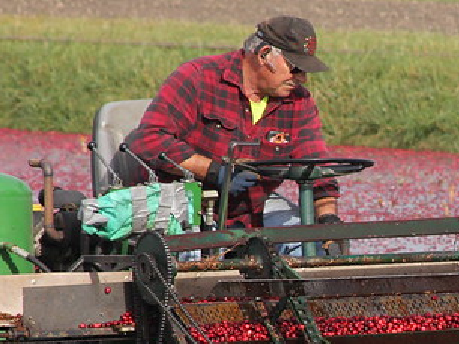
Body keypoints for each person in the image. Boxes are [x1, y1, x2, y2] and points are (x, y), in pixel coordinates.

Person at [125, 15, 342, 247]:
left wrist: (327, 217)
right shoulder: (198, 78)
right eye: (295, 68)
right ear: (264, 55)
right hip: (189, 207)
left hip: (253, 212)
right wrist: (216, 172)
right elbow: (149, 139)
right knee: (190, 259)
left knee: (308, 246)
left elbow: (316, 167)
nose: (302, 79)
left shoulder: (299, 101)